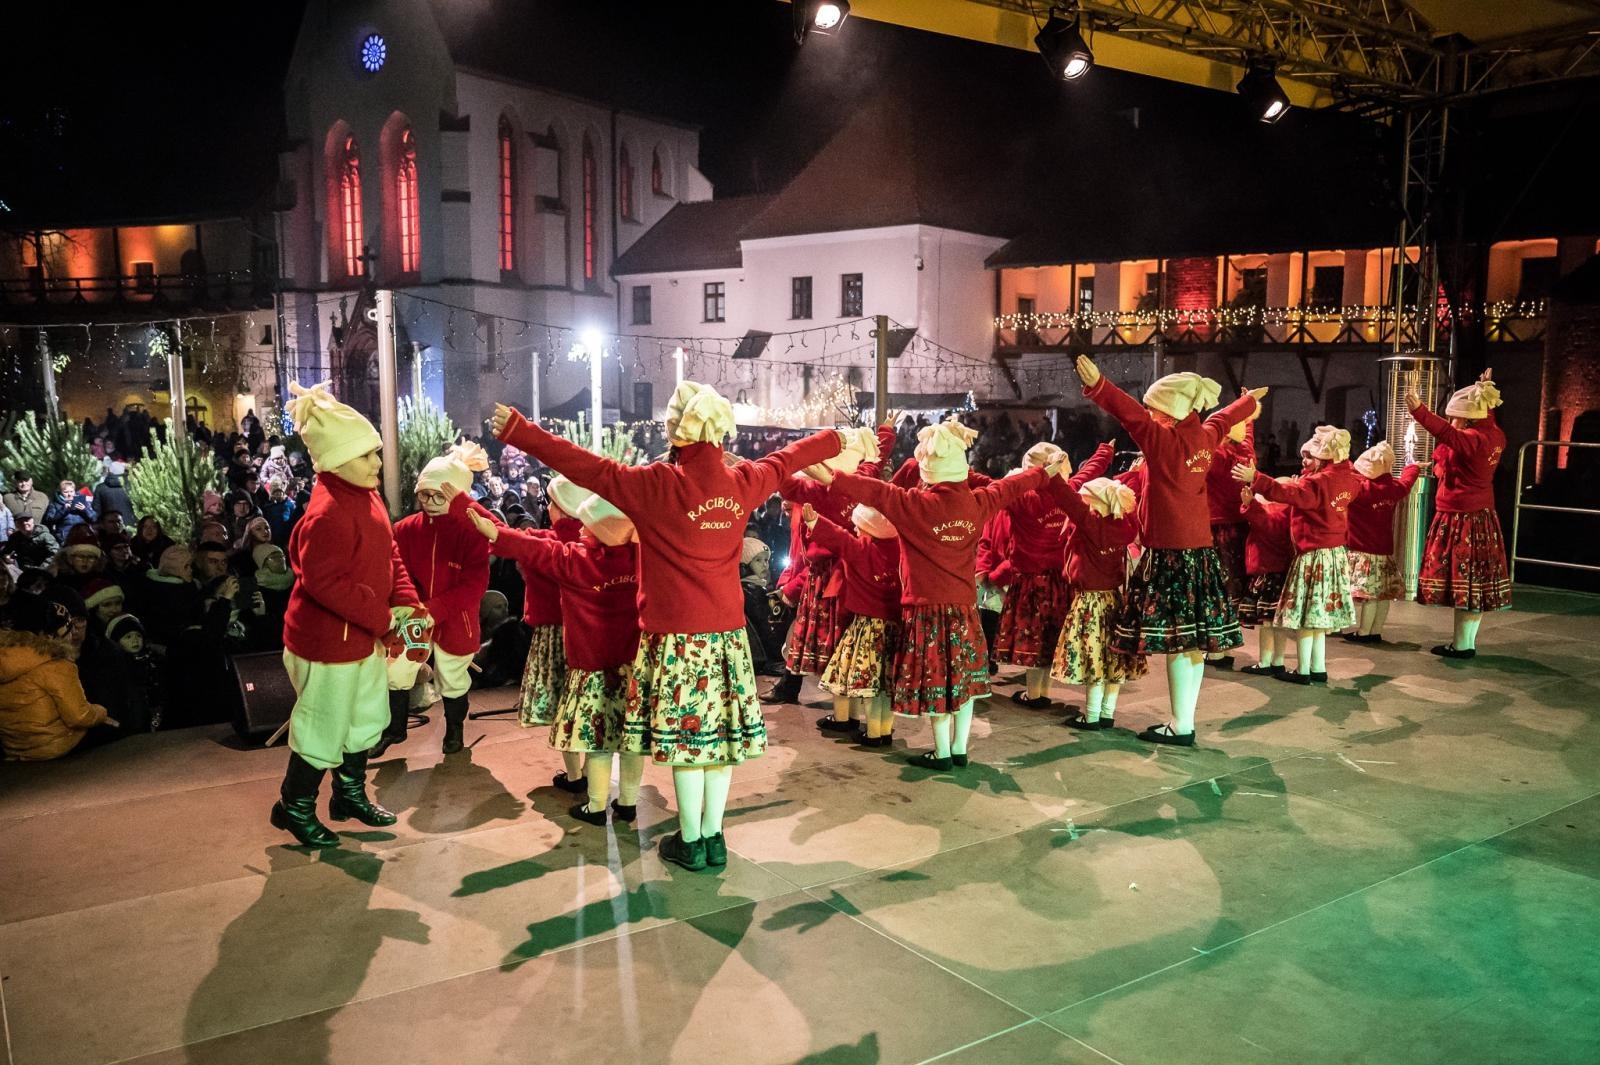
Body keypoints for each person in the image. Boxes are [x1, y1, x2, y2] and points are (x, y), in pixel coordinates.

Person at [492, 380, 845, 872]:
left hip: (675, 640)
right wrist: (834, 440)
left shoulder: (654, 485)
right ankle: (714, 837)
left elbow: (584, 467)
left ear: (674, 431)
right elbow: (787, 459)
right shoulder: (742, 480)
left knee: (686, 744)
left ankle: (691, 838)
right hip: (726, 637)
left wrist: (520, 432)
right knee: (718, 746)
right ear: (722, 433)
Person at [827, 417, 1062, 771]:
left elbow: (865, 490)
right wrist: (1045, 473)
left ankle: (941, 752)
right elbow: (1013, 486)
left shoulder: (910, 504)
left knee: (936, 682)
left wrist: (828, 474)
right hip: (963, 608)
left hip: (924, 611)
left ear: (927, 468)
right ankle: (959, 748)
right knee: (963, 681)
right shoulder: (977, 501)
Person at [1075, 356, 1266, 746]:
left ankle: (1180, 725)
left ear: (1167, 413)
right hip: (1200, 550)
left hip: (1170, 552)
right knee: (1193, 643)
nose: (1148, 412)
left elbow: (1130, 416)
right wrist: (1248, 403)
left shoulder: (1163, 441)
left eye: (1154, 408)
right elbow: (1224, 418)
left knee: (1179, 643)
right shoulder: (1203, 435)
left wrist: (1100, 387)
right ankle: (1185, 719)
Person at [272, 381, 428, 848]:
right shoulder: (327, 514)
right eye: (368, 456)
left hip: (360, 639)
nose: (377, 463)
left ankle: (348, 795)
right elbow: (326, 585)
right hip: (328, 645)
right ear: (337, 459)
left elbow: (390, 556)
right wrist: (384, 621)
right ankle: (294, 806)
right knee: (322, 726)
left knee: (363, 719)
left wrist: (406, 601)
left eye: (375, 453)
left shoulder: (365, 496)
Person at [467, 480, 644, 825]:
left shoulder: (575, 560)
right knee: (631, 740)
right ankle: (627, 804)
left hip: (591, 668)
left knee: (597, 741)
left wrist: (497, 534)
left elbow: (531, 549)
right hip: (631, 669)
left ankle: (595, 807)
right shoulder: (639, 560)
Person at [375, 442, 492, 758]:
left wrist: (435, 609)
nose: (429, 502)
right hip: (415, 614)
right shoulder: (405, 529)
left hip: (456, 618)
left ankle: (455, 731)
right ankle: (395, 729)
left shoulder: (472, 532)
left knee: (452, 678)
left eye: (439, 495)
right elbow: (396, 572)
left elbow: (474, 585)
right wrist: (412, 606)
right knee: (396, 670)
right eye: (424, 494)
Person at [1232, 426, 1362, 685]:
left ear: (1323, 456)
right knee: (1319, 619)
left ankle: (1303, 670)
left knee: (1307, 617)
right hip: (1334, 554)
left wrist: (1256, 478)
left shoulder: (1317, 483)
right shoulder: (1348, 479)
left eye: (1311, 455)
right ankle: (1318, 667)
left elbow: (1290, 493)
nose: (1306, 460)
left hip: (1313, 555)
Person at [994, 440, 1114, 706]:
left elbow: (991, 489)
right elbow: (1089, 472)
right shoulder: (1068, 491)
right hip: (1062, 580)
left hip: (1029, 580)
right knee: (1050, 636)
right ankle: (1043, 692)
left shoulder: (1021, 498)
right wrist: (1105, 451)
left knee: (1031, 638)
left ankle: (1034, 694)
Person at [1406, 369, 1510, 659]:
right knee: (1475, 584)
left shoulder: (1473, 440)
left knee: (1465, 584)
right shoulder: (1495, 435)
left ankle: (1462, 645)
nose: (1452, 421)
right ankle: (1466, 642)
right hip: (1483, 515)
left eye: (1456, 416)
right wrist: (1483, 385)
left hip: (1462, 516)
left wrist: (1419, 411)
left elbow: (1445, 433)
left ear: (1466, 417)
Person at [802, 501, 902, 746]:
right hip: (895, 625)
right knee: (886, 685)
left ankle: (873, 734)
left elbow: (839, 538)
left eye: (859, 526)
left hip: (867, 626)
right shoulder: (900, 548)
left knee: (868, 684)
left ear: (868, 529)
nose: (855, 530)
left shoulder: (862, 549)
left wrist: (815, 522)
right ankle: (885, 731)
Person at [1052, 477, 1147, 729]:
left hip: (1089, 601)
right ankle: (1107, 713)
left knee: (1093, 658)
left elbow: (1066, 498)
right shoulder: (1123, 525)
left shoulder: (1091, 524)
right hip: (1114, 599)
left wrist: (1048, 475)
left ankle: (1091, 715)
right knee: (1113, 659)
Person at [0, 593, 108, 760]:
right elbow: (78, 717)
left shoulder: (6, 658)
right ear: (57, 633)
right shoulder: (56, 664)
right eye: (70, 626)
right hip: (58, 748)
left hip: (15, 751)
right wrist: (101, 712)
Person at [1343, 442, 1422, 644]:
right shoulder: (1393, 488)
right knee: (1382, 595)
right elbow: (1406, 482)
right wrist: (1413, 467)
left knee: (1369, 595)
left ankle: (1363, 632)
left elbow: (1347, 472)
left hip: (1362, 551)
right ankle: (1376, 631)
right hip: (1384, 551)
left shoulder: (1360, 488)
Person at [1203, 412, 1259, 670]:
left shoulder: (1218, 456)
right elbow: (1247, 437)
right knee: (1232, 590)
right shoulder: (1246, 454)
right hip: (1241, 527)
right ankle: (1225, 643)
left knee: (1215, 591)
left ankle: (1217, 650)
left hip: (1217, 528)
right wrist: (1248, 418)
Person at [1237, 486, 1294, 676]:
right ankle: (1278, 661)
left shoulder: (1274, 515)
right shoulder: (1290, 512)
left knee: (1267, 623)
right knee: (1277, 623)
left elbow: (1266, 522)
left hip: (1267, 574)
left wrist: (1250, 505)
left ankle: (1265, 662)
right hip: (1281, 574)